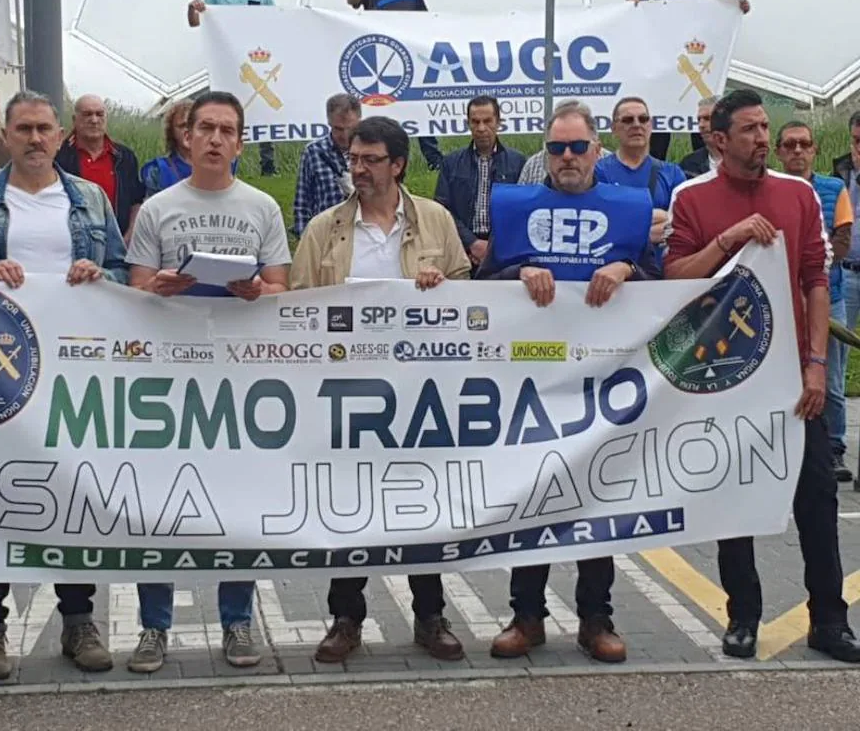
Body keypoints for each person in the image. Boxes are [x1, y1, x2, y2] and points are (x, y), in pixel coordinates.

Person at [664, 89, 860, 662]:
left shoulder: (798, 194)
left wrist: (818, 364)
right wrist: (728, 241)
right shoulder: (692, 198)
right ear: (719, 140)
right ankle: (742, 616)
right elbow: (675, 276)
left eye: (763, 128)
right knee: (735, 501)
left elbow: (815, 281)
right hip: (727, 375)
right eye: (748, 130)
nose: (762, 138)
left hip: (795, 377)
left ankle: (830, 618)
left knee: (817, 500)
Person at [0, 90, 127, 679]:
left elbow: (125, 270)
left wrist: (98, 272)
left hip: (74, 371)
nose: (33, 138)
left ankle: (78, 619)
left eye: (43, 129)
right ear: (5, 134)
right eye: (22, 128)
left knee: (73, 493)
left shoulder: (90, 198)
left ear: (61, 136)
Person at [478, 100, 655, 665]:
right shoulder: (513, 207)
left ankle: (595, 617)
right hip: (531, 384)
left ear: (597, 151)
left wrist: (628, 268)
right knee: (532, 501)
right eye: (557, 148)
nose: (569, 157)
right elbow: (479, 284)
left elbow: (664, 281)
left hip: (603, 385)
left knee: (596, 501)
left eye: (579, 146)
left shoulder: (631, 208)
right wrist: (516, 272)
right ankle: (526, 615)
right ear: (545, 154)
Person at [290, 116, 469, 663]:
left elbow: (467, 293)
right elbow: (296, 305)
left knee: (421, 504)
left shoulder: (435, 221)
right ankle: (346, 618)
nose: (358, 169)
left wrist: (442, 290)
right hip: (345, 392)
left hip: (419, 392)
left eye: (370, 160)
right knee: (349, 505)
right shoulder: (326, 228)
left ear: (398, 165)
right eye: (353, 158)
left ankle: (430, 615)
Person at [125, 90, 291, 671]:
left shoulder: (262, 208)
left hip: (240, 379)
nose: (216, 139)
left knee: (236, 501)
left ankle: (238, 622)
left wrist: (256, 291)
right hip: (170, 378)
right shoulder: (157, 208)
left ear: (240, 142)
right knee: (158, 504)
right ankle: (153, 627)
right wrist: (160, 287)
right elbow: (134, 291)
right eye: (206, 129)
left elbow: (280, 288)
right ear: (186, 137)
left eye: (227, 130)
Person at [774, 121, 853, 482]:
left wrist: (813, 273)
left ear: (815, 150)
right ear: (778, 151)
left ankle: (833, 447)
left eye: (804, 144)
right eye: (789, 145)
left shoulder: (833, 187)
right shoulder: (773, 189)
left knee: (830, 377)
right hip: (782, 297)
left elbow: (842, 238)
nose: (797, 151)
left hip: (828, 295)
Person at [628, 0, 749, 160]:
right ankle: (655, 171)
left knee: (701, 120)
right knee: (661, 120)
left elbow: (727, 4)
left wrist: (740, 6)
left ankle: (704, 168)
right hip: (665, 60)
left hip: (700, 60)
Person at [346, 0, 442, 171]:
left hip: (409, 57)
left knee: (420, 107)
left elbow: (426, 22)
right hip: (380, 59)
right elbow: (351, 1)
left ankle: (434, 160)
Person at [187, 0, 278, 177]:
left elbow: (275, 25)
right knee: (226, 108)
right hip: (228, 62)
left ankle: (268, 165)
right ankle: (227, 161)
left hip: (256, 60)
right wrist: (192, 7)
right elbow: (196, 22)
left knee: (263, 107)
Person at [434, 95, 526, 267]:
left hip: (504, 251)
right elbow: (442, 209)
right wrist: (471, 243)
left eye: (487, 121)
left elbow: (522, 211)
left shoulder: (518, 162)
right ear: (468, 123)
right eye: (475, 122)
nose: (481, 128)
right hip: (460, 248)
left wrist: (492, 246)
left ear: (498, 122)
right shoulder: (451, 163)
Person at [595, 97, 684, 251]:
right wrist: (652, 226)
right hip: (612, 266)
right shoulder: (598, 172)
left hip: (661, 270)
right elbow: (600, 225)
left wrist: (624, 219)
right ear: (614, 128)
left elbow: (682, 226)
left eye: (643, 119)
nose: (636, 125)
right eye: (628, 120)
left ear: (650, 125)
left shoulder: (673, 174)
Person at [55, 94, 144, 240]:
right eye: (87, 114)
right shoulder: (60, 157)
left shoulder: (124, 157)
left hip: (119, 242)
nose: (94, 120)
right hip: (75, 242)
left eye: (99, 114)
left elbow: (136, 201)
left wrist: (129, 237)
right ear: (74, 120)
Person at [833, 111, 860, 485]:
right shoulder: (840, 175)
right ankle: (834, 448)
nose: (859, 150)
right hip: (847, 276)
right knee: (836, 367)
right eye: (856, 141)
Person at [291, 93, 360, 237]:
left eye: (350, 128)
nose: (345, 135)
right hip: (325, 236)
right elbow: (302, 200)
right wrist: (303, 239)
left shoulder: (371, 152)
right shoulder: (313, 151)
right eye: (338, 129)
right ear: (329, 122)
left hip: (362, 236)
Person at [140, 100, 238, 197]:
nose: (188, 131)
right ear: (171, 131)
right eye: (182, 126)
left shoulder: (224, 162)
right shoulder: (157, 170)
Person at [678, 95, 720, 178]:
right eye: (698, 120)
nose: (701, 125)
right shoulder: (688, 164)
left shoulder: (746, 160)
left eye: (707, 119)